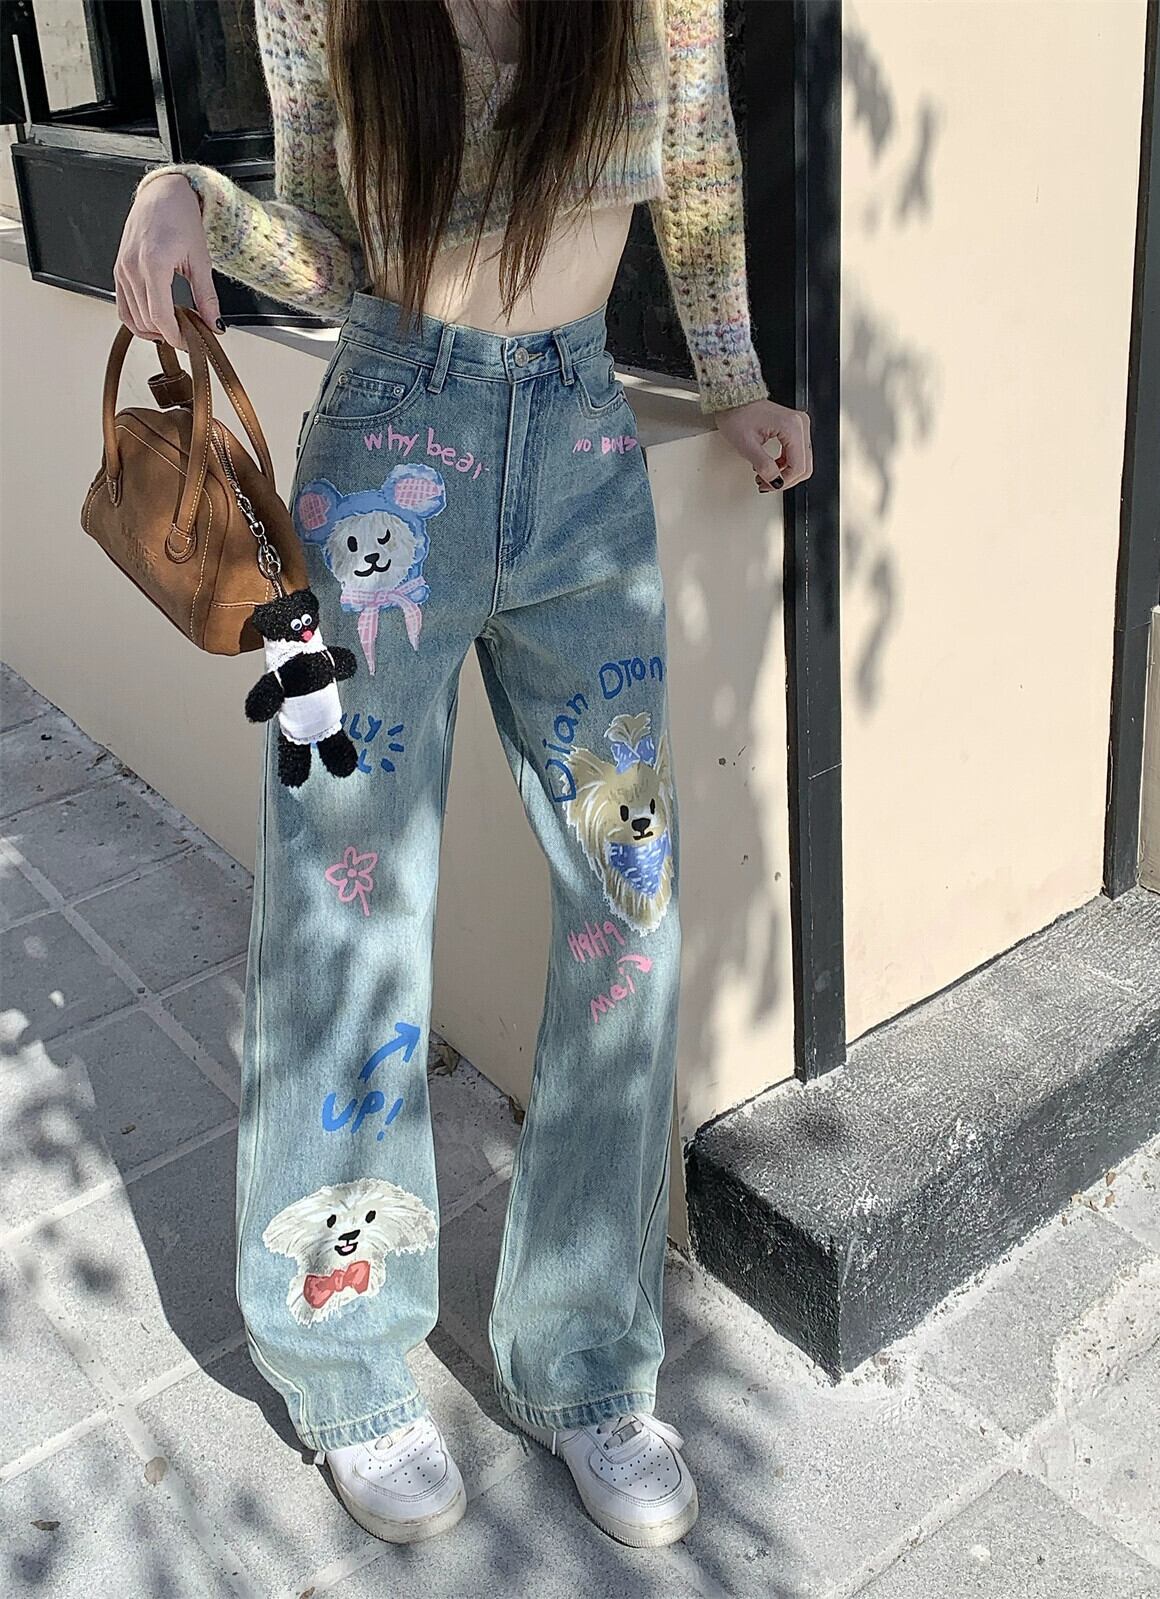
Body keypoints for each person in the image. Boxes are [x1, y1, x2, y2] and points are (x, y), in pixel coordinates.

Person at [115, 0, 812, 1553]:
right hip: (387, 444)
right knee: (346, 916)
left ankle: (587, 1361)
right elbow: (326, 251)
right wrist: (191, 198)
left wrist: (735, 382)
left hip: (583, 460)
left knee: (629, 910)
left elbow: (698, 174)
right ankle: (349, 1361)